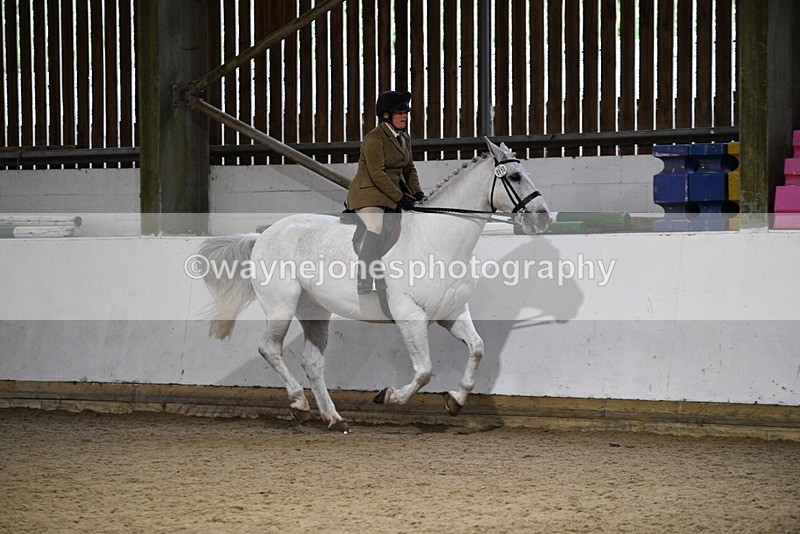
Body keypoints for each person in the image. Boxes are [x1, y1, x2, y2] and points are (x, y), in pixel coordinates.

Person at [346, 90, 425, 294]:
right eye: (399, 112)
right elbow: (377, 174)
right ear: (386, 115)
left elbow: (409, 169)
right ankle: (365, 277)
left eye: (406, 112)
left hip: (390, 192)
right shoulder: (374, 138)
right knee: (376, 225)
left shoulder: (404, 137)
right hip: (369, 192)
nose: (405, 116)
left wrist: (417, 194)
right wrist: (400, 198)